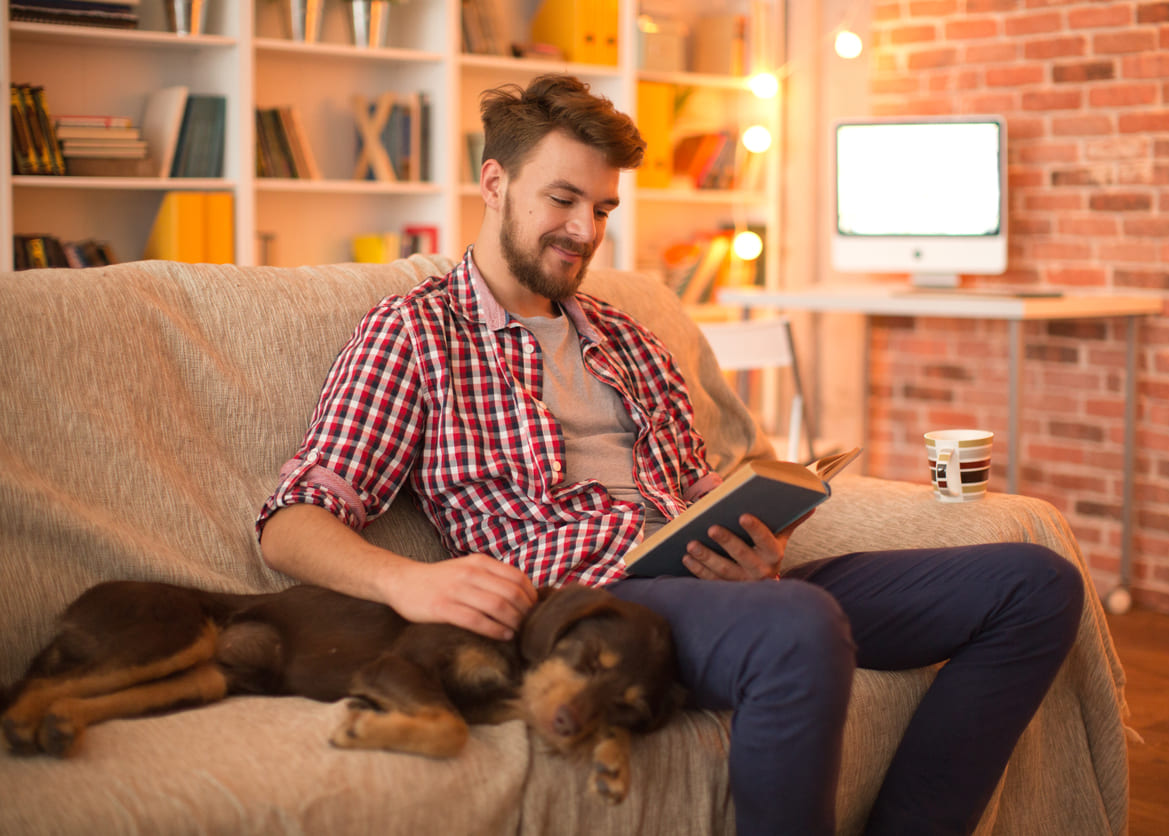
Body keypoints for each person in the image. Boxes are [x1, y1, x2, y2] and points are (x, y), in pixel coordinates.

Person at [257, 74, 1083, 836]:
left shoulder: (627, 338)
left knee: (1034, 583)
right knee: (798, 624)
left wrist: (751, 546)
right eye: (564, 199)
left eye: (604, 209)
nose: (586, 231)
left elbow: (696, 488)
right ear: (495, 183)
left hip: (706, 588)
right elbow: (291, 520)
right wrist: (410, 580)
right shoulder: (414, 333)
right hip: (589, 608)